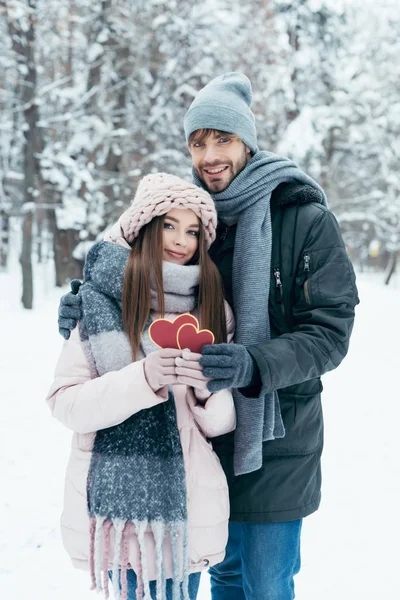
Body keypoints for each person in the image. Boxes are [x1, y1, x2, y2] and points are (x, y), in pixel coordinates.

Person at [58, 73, 360, 600]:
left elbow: (330, 332)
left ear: (247, 141)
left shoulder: (304, 219)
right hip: (194, 439)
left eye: (222, 138)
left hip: (274, 437)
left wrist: (253, 363)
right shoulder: (189, 215)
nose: (210, 154)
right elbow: (137, 282)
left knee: (264, 583)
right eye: (198, 142)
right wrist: (84, 306)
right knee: (218, 575)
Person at [47, 172, 237, 600]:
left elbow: (221, 425)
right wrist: (145, 378)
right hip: (121, 509)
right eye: (169, 225)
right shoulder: (97, 303)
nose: (181, 240)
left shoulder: (212, 308)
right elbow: (66, 404)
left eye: (193, 231)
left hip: (187, 505)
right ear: (145, 228)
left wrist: (208, 390)